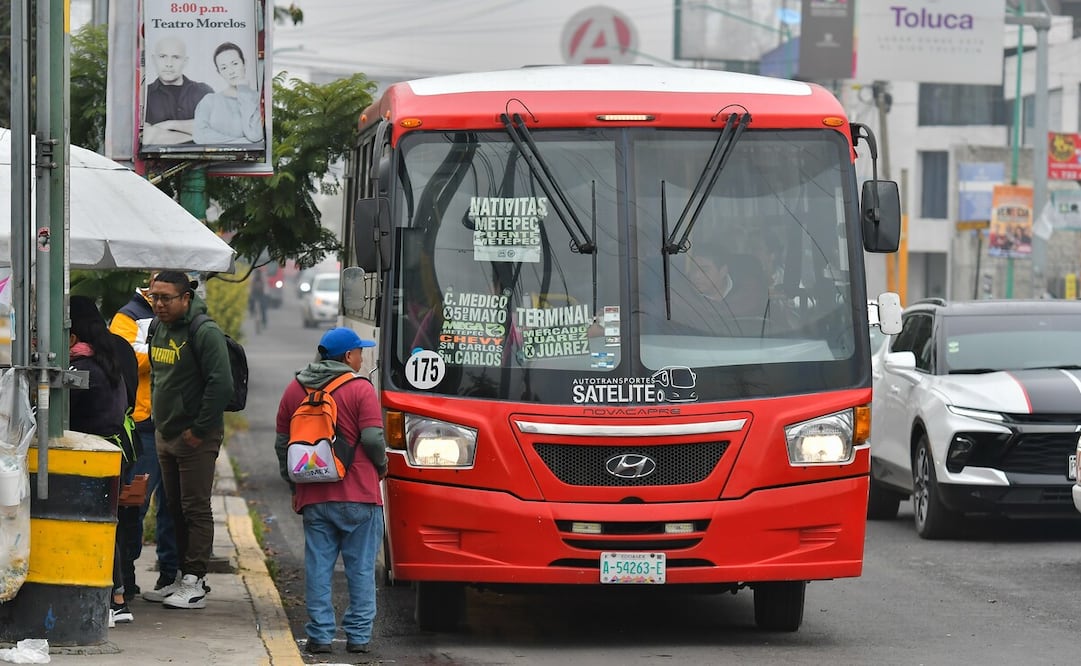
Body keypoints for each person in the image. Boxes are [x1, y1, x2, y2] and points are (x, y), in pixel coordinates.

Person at [274, 327, 387, 655]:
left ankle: (321, 635)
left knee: (319, 566)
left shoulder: (296, 389)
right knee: (362, 567)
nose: (362, 357)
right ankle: (358, 636)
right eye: (359, 352)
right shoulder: (360, 389)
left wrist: (293, 482)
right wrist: (380, 467)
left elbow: (283, 443)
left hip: (315, 495)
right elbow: (372, 439)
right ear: (348, 356)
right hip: (360, 494)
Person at [145, 271, 233, 610]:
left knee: (196, 508)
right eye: (155, 296)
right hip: (165, 433)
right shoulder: (157, 328)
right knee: (173, 507)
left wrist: (198, 430)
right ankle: (180, 577)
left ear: (186, 298)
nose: (160, 304)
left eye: (167, 298)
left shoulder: (204, 331)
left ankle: (195, 581)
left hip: (196, 437)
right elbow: (157, 376)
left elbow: (220, 386)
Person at [108, 275, 180, 602]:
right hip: (144, 423)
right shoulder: (128, 316)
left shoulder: (185, 316)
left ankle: (171, 573)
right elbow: (125, 358)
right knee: (135, 503)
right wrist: (165, 351)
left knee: (174, 505)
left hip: (174, 422)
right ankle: (128, 575)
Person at [68, 295, 139, 627]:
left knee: (96, 525)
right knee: (108, 524)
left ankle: (113, 600)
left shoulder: (82, 368)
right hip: (115, 452)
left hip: (93, 456)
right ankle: (119, 597)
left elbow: (60, 415)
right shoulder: (108, 356)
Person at [142, 36, 213, 145]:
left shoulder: (203, 91)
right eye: (162, 56)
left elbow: (219, 128)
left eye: (175, 57)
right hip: (158, 161)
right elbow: (147, 137)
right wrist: (199, 133)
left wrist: (170, 125)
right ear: (153, 59)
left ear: (185, 61)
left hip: (208, 161)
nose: (169, 64)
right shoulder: (145, 94)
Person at [192, 42, 264, 144]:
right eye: (224, 68)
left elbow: (255, 135)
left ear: (244, 63)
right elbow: (199, 136)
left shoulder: (257, 99)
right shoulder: (209, 100)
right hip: (212, 159)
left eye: (235, 64)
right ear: (219, 72)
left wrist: (244, 91)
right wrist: (244, 143)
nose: (231, 71)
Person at [249, 267, 268, 333]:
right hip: (255, 294)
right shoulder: (253, 279)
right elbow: (251, 288)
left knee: (263, 308)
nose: (258, 274)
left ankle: (264, 322)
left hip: (261, 295)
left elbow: (265, 288)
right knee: (251, 302)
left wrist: (265, 294)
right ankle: (251, 311)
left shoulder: (262, 279)